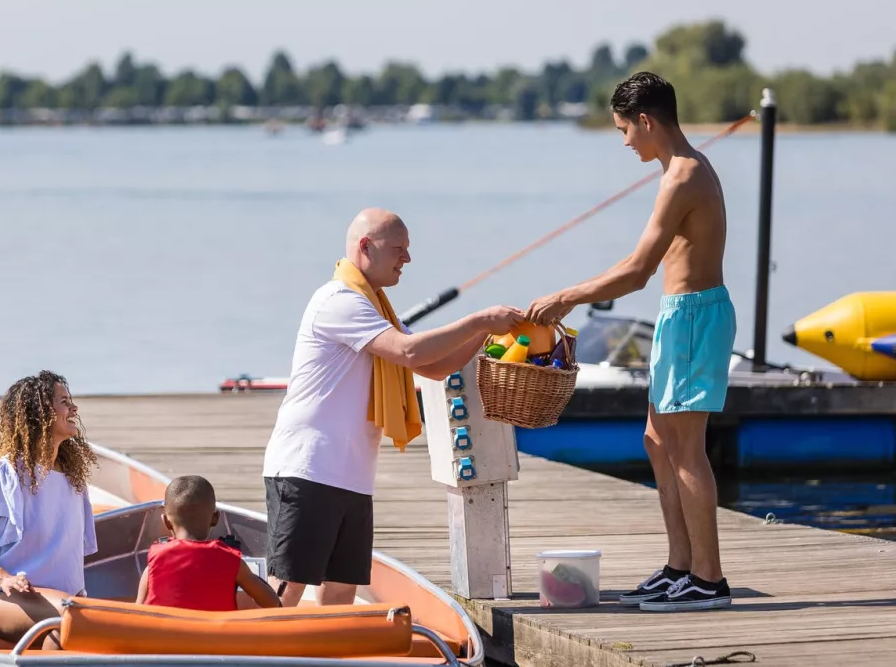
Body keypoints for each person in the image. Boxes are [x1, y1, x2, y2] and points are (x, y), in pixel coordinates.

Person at [527, 71, 735, 612]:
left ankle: (709, 581)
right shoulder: (676, 172)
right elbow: (638, 261)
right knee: (656, 440)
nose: (624, 141)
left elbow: (639, 271)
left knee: (686, 449)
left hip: (694, 318)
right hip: (679, 315)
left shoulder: (684, 175)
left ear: (646, 121)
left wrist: (569, 296)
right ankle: (680, 566)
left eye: (625, 130)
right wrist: (573, 291)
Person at [262, 209, 524, 607]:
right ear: (365, 247)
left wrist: (485, 331)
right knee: (287, 589)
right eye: (398, 248)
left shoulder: (378, 309)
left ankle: (328, 666)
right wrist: (477, 320)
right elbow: (408, 351)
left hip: (351, 476)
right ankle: (255, 661)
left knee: (339, 594)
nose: (407, 258)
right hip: (307, 468)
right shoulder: (338, 301)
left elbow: (433, 366)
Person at [0, 371, 98, 645]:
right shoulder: (3, 476)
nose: (74, 408)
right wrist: (3, 578)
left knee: (76, 621)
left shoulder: (73, 480)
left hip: (59, 602)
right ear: (39, 413)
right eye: (64, 401)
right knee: (71, 619)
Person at [135, 475, 282, 611]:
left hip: (165, 637)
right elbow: (274, 604)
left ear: (166, 522)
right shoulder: (232, 561)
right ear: (215, 518)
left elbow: (137, 613)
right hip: (216, 638)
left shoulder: (154, 563)